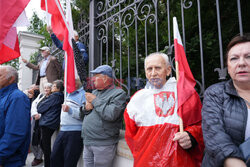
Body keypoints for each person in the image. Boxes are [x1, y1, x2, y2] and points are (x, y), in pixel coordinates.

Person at [124, 53, 204, 167]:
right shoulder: (137, 99)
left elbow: (202, 125)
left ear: (168, 70)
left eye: (157, 68)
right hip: (145, 161)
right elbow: (130, 135)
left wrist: (191, 135)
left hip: (180, 161)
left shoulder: (185, 94)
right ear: (145, 72)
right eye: (149, 69)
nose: (153, 73)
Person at [202, 33, 250, 167]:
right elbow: (215, 135)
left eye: (248, 57)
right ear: (228, 67)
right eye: (234, 58)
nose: (241, 63)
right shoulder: (215, 93)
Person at [82, 65, 127, 167]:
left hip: (103, 144)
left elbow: (111, 114)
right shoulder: (94, 92)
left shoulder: (118, 93)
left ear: (105, 78)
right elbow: (83, 113)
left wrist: (94, 100)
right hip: (88, 141)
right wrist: (85, 108)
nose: (92, 79)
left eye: (96, 76)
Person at [0, 65, 31, 167]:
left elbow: (14, 133)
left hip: (9, 160)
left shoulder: (17, 98)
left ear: (11, 79)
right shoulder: (3, 96)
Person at [50, 78, 85, 167]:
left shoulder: (83, 95)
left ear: (75, 85)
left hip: (75, 132)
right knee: (55, 157)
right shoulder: (68, 94)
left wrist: (70, 110)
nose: (65, 86)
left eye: (67, 84)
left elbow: (84, 115)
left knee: (70, 160)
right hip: (63, 130)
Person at [37, 80, 64, 167]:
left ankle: (48, 164)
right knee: (43, 143)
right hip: (49, 122)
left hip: (48, 122)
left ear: (58, 88)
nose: (51, 87)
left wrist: (43, 103)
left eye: (53, 86)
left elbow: (40, 108)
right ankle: (50, 162)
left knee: (45, 145)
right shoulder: (57, 96)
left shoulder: (55, 96)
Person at [30, 83, 53, 166]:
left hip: (44, 121)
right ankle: (37, 157)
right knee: (33, 139)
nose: (46, 90)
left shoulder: (52, 98)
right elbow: (34, 105)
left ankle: (41, 159)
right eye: (45, 88)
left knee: (43, 142)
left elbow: (50, 111)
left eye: (48, 88)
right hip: (36, 119)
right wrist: (35, 113)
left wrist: (39, 115)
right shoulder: (41, 95)